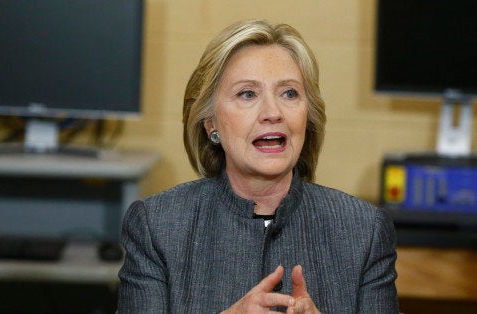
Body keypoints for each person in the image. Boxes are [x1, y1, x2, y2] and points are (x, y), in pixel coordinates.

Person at [118, 19, 398, 313]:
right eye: (247, 94)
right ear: (210, 123)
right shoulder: (157, 227)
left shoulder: (364, 231)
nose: (273, 112)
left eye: (289, 93)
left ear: (307, 114)